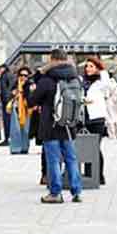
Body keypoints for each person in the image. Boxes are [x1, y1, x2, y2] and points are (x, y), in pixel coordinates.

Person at [25, 49, 83, 204]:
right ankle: (77, 191)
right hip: (69, 124)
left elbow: (31, 101)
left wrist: (35, 80)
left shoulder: (47, 80)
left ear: (52, 60)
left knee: (53, 160)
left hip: (50, 125)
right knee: (71, 158)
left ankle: (56, 193)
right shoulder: (75, 78)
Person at [81, 57, 108, 184]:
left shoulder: (101, 82)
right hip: (84, 117)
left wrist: (101, 69)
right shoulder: (82, 81)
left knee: (95, 147)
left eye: (91, 66)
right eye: (87, 66)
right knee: (86, 147)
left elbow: (106, 79)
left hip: (97, 118)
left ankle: (98, 175)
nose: (88, 69)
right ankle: (88, 174)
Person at [7, 67, 32, 154]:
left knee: (25, 130)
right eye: (21, 75)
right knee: (15, 129)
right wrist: (14, 94)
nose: (23, 77)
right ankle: (15, 148)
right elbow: (9, 95)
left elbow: (31, 98)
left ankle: (24, 147)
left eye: (25, 75)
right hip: (16, 108)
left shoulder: (30, 85)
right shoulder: (15, 84)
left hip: (26, 109)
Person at [104, 72, 117, 140]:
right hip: (116, 102)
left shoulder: (107, 84)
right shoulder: (115, 84)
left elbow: (106, 95)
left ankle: (112, 135)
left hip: (109, 102)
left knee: (110, 120)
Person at [0, 64, 13, 145]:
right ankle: (9, 138)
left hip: (6, 101)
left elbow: (4, 89)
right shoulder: (10, 75)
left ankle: (7, 139)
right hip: (10, 100)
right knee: (10, 120)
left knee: (6, 120)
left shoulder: (4, 76)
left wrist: (5, 99)